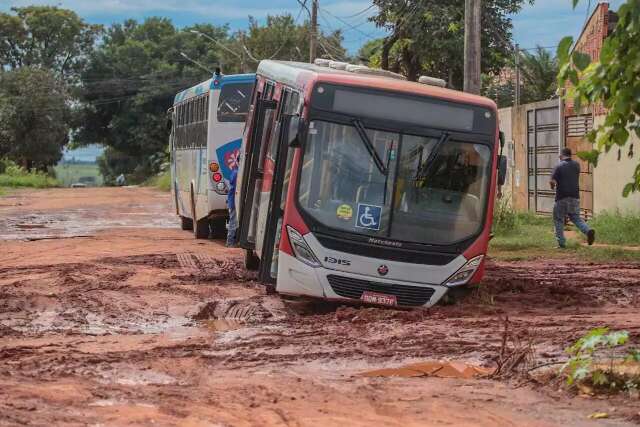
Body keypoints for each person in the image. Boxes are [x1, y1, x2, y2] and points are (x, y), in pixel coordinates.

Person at [550, 147, 595, 248]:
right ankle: (588, 231)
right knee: (575, 218)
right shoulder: (577, 165)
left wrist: (552, 186)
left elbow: (552, 181)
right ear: (570, 155)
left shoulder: (558, 166)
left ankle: (561, 243)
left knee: (558, 219)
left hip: (561, 197)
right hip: (575, 197)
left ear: (561, 155)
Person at [226, 165, 239, 247]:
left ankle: (231, 241)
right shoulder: (237, 173)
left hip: (232, 200)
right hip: (234, 201)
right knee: (233, 222)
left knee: (233, 221)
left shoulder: (235, 172)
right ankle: (230, 242)